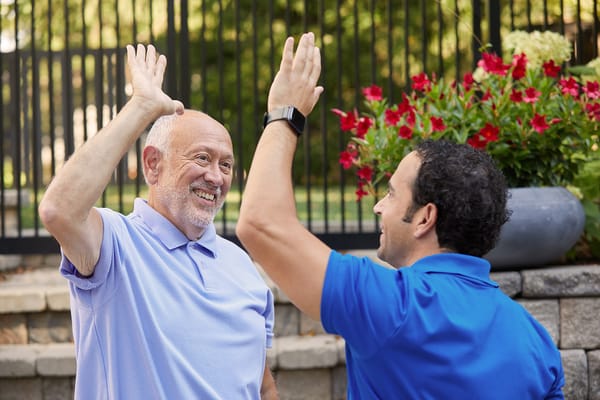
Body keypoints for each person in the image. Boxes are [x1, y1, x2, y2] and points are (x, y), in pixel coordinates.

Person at [236, 32, 565, 398]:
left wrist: (285, 113)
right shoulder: (535, 340)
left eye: (391, 193)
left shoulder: (393, 304)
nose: (378, 206)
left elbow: (260, 223)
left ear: (425, 217)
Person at [39, 44, 277, 399]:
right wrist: (141, 107)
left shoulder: (241, 264)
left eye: (225, 165)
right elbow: (59, 210)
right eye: (202, 158)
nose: (216, 176)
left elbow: (261, 384)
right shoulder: (115, 245)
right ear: (152, 164)